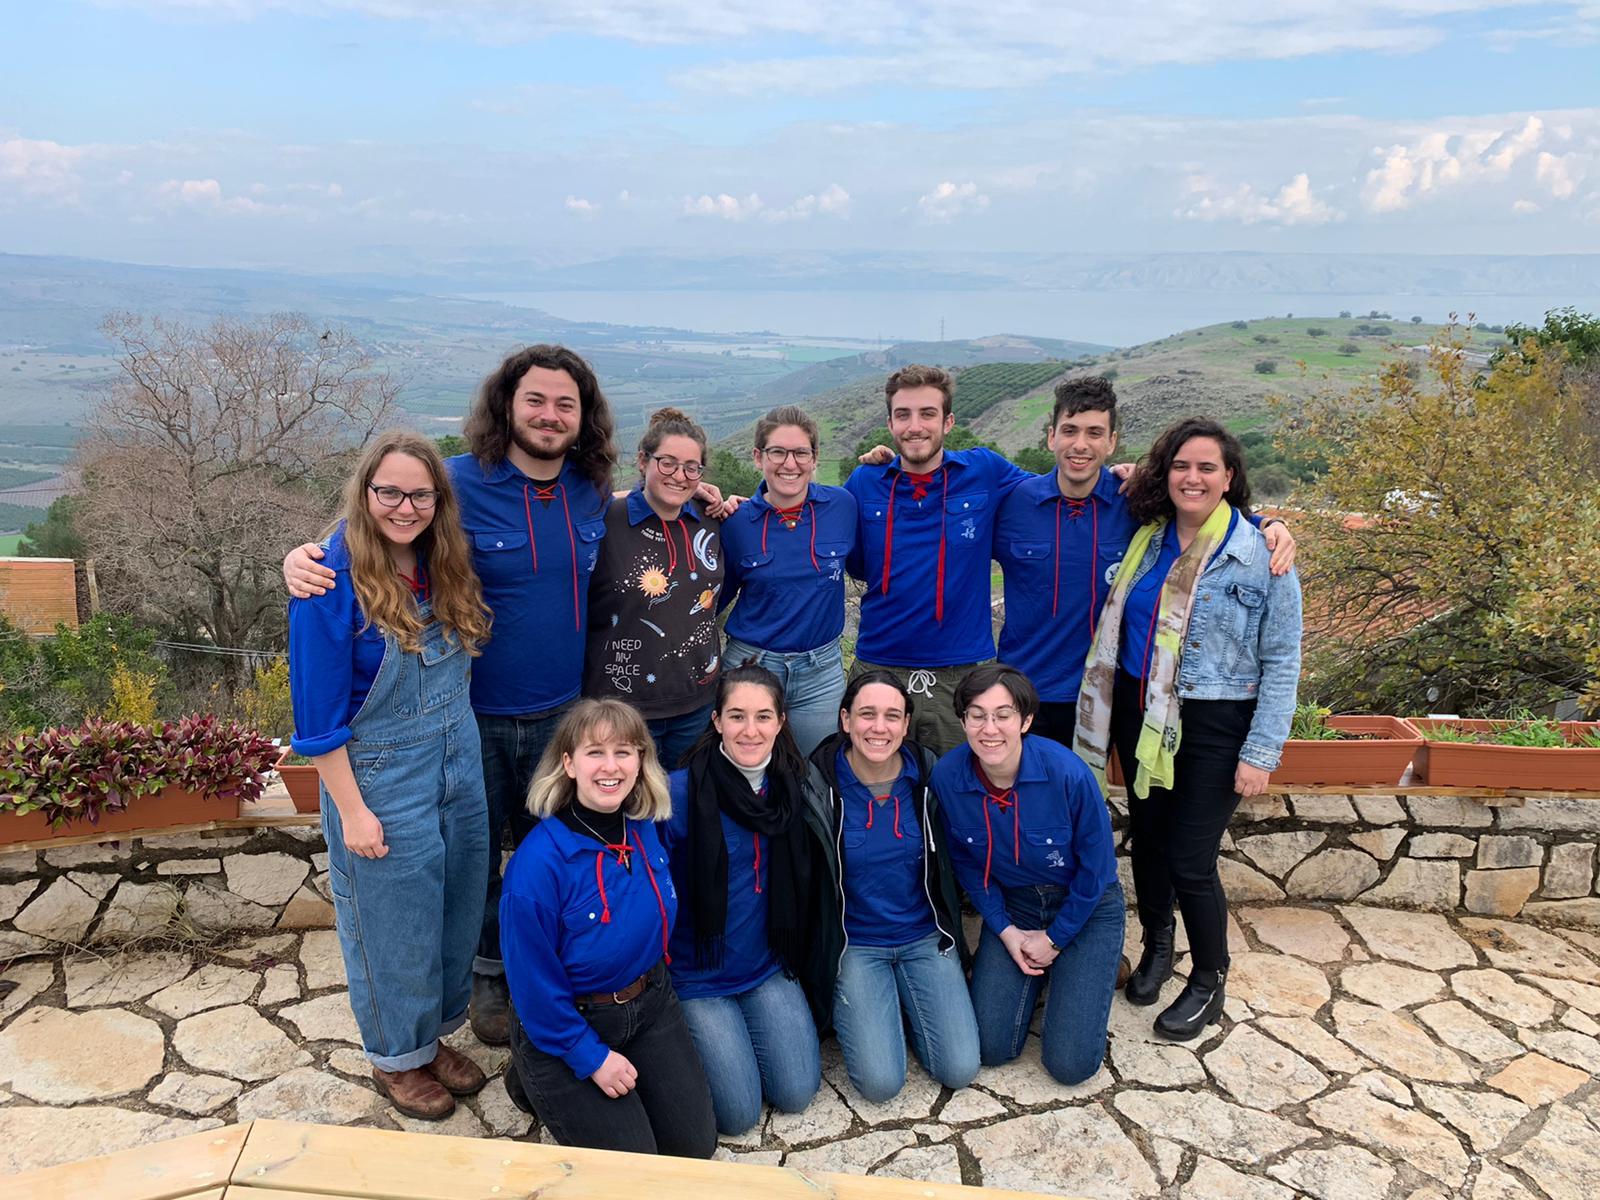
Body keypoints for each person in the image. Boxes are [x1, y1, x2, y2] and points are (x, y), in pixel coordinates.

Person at [284, 345, 616, 1046]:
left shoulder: (590, 489)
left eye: (566, 403)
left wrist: (719, 497)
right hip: (470, 718)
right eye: (536, 400)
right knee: (476, 870)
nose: (550, 415)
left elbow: (635, 509)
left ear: (584, 417)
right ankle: (487, 976)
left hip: (562, 716)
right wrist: (305, 556)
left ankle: (544, 975)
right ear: (507, 406)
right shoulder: (457, 483)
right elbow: (376, 522)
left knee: (546, 855)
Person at [1074, 416, 1302, 1040]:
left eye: (1207, 467)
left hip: (1214, 719)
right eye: (1181, 465)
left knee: (1190, 857)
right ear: (1164, 473)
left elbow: (1283, 659)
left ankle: (1210, 978)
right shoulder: (1145, 537)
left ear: (1230, 478)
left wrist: (1261, 751)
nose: (1193, 477)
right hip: (1137, 711)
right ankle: (1157, 948)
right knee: (1148, 840)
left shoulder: (1259, 554)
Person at [288, 430, 493, 1119]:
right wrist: (353, 811)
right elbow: (318, 721)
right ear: (365, 493)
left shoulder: (444, 565)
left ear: (439, 499)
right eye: (389, 493)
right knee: (391, 930)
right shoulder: (326, 579)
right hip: (377, 777)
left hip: (457, 763)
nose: (404, 507)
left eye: (420, 494)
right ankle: (394, 1059)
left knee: (451, 914)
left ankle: (427, 1041)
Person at [995, 377, 1297, 749]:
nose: (1080, 444)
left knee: (1087, 803)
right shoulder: (1012, 503)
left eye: (1094, 432)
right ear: (1050, 437)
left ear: (1112, 442)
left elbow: (1203, 509)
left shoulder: (1136, 502)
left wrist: (1265, 523)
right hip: (1022, 693)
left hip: (1105, 699)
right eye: (1069, 430)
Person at [499, 698, 717, 1157]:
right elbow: (533, 989)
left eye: (624, 751)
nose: (610, 766)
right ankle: (533, 1075)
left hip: (650, 1003)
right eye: (594, 752)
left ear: (641, 761)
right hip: (568, 1022)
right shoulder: (537, 867)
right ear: (568, 764)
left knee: (694, 1149)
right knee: (635, 1170)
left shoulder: (642, 826)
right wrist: (590, 1058)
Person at [931, 665, 1123, 1083]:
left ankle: (1082, 963)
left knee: (1070, 1066)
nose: (990, 728)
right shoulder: (947, 777)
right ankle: (1050, 968)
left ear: (1026, 720)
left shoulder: (1068, 773)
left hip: (1086, 907)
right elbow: (967, 864)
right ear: (962, 720)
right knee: (991, 1048)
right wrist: (1005, 931)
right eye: (977, 715)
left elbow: (1097, 870)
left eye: (1003, 714)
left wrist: (1056, 939)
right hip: (1016, 906)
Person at [799, 670, 979, 1102]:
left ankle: (906, 1001)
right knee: (880, 1084)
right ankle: (878, 1003)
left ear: (905, 723)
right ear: (845, 720)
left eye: (892, 716)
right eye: (867, 714)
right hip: (856, 946)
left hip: (924, 937)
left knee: (959, 1068)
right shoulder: (814, 786)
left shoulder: (930, 777)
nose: (879, 727)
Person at [661, 662, 823, 1135]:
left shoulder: (792, 786)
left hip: (766, 965)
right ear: (716, 722)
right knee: (738, 1115)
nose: (750, 731)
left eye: (763, 717)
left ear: (781, 722)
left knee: (796, 1093)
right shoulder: (679, 794)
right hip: (697, 974)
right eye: (736, 716)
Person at [844, 366, 1033, 756]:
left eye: (927, 414)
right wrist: (746, 502)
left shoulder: (985, 470)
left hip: (963, 672)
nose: (915, 426)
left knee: (957, 793)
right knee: (874, 790)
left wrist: (1117, 479)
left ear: (948, 421)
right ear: (890, 423)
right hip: (879, 667)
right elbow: (820, 522)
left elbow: (1055, 492)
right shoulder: (865, 482)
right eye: (903, 415)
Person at [585, 407, 725, 768]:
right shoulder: (604, 520)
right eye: (667, 463)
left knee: (682, 810)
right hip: (619, 709)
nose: (680, 475)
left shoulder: (713, 520)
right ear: (644, 460)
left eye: (692, 467)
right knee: (626, 812)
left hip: (696, 704)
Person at [719, 406, 858, 756]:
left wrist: (879, 459)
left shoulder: (842, 506)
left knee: (815, 771)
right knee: (745, 769)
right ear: (758, 457)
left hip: (820, 675)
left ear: (815, 459)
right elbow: (711, 600)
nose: (789, 464)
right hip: (751, 668)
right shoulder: (734, 522)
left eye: (800, 453)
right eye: (778, 452)